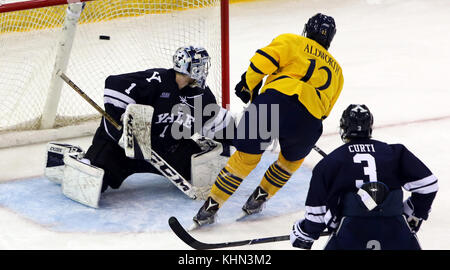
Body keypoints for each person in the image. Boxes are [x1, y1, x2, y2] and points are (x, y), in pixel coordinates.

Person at [192, 13, 344, 227]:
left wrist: (249, 87)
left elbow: (261, 63)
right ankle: (258, 199)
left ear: (307, 29)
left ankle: (210, 208)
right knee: (289, 163)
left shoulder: (292, 40)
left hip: (273, 102)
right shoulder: (338, 71)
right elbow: (325, 111)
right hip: (309, 121)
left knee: (245, 159)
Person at [46, 46, 234, 196]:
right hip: (122, 148)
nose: (203, 70)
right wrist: (122, 124)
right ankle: (72, 160)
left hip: (166, 149)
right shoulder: (157, 80)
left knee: (202, 174)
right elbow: (115, 83)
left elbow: (215, 121)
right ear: (190, 68)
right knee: (90, 182)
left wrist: (236, 140)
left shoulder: (201, 95)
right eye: (200, 65)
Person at [290, 104, 438, 250]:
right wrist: (412, 212)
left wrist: (303, 234)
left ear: (343, 128)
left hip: (350, 235)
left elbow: (316, 217)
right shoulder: (394, 152)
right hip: (395, 232)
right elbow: (428, 185)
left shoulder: (330, 163)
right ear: (370, 127)